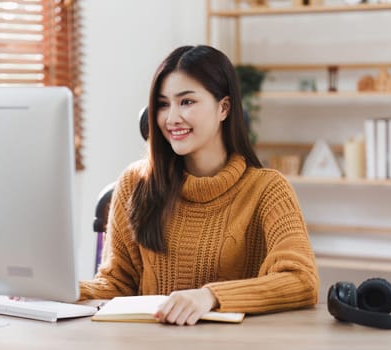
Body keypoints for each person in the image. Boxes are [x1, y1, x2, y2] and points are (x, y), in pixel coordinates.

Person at [79, 45, 319, 325]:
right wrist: (60, 291)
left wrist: (210, 296)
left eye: (187, 102)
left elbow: (301, 281)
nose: (171, 118)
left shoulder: (267, 189)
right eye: (163, 104)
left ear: (224, 108)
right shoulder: (135, 183)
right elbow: (117, 285)